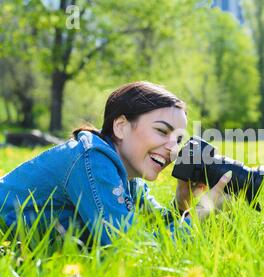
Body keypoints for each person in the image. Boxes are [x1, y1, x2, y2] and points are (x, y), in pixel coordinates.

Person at [0, 81, 232, 247]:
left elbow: (153, 228)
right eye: (162, 131)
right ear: (121, 126)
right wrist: (199, 216)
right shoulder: (93, 160)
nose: (173, 149)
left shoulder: (127, 178)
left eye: (178, 139)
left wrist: (183, 206)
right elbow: (129, 247)